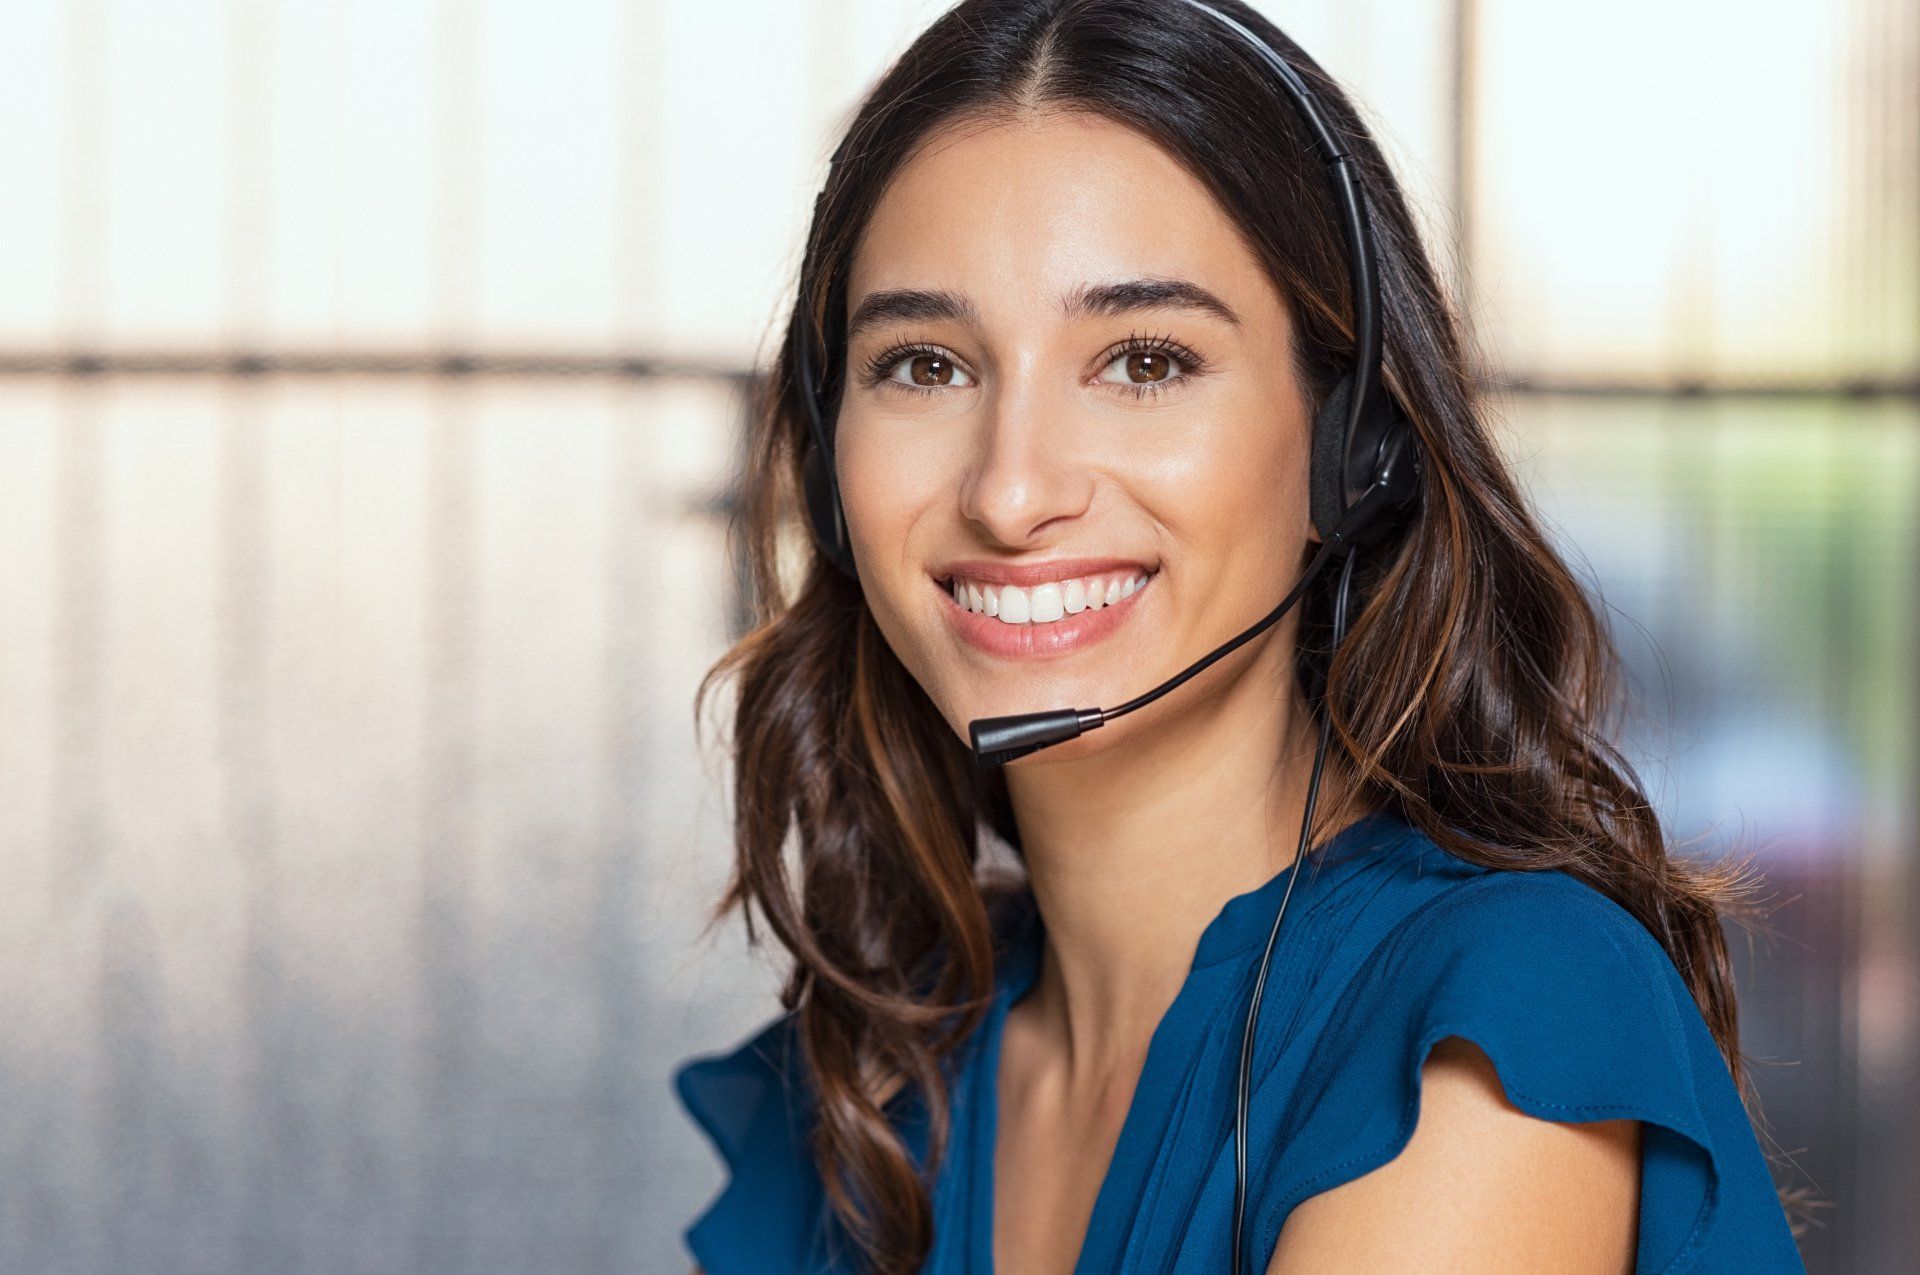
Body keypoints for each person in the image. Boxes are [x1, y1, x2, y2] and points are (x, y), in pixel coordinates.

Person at [670, 1, 1808, 1271]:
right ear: (830, 469)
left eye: (1146, 361)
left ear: (1349, 452)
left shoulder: (1490, 1028)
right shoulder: (883, 1077)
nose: (1009, 490)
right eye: (927, 365)